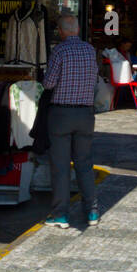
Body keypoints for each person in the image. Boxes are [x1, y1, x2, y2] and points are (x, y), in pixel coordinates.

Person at [43, 15, 99, 230]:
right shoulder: (89, 50)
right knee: (84, 163)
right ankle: (92, 211)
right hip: (86, 114)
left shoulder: (59, 51)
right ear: (76, 29)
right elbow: (94, 79)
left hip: (61, 115)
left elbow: (49, 83)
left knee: (61, 166)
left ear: (62, 31)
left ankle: (61, 215)